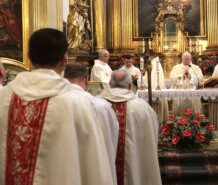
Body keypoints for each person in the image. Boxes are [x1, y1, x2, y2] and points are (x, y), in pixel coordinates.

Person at [0, 28, 114, 184]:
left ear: (29, 57)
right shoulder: (80, 104)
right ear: (63, 60)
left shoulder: (4, 97)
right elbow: (94, 167)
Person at [99, 70, 162, 185]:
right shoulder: (143, 108)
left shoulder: (95, 104)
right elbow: (151, 141)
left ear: (109, 83)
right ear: (129, 86)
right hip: (133, 173)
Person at [64, 63, 119, 185]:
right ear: (87, 79)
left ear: (64, 79)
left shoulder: (53, 105)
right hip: (97, 172)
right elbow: (112, 142)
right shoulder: (103, 107)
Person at [170, 52, 203, 116]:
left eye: (188, 59)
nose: (186, 61)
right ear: (182, 59)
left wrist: (191, 77)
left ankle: (194, 123)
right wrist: (182, 76)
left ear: (191, 60)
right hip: (180, 93)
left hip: (193, 94)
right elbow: (172, 78)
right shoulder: (176, 68)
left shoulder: (195, 68)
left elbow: (200, 79)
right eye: (184, 59)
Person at [139, 54, 169, 123]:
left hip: (153, 91)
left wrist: (141, 78)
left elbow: (150, 80)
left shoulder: (153, 64)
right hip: (157, 89)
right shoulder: (157, 63)